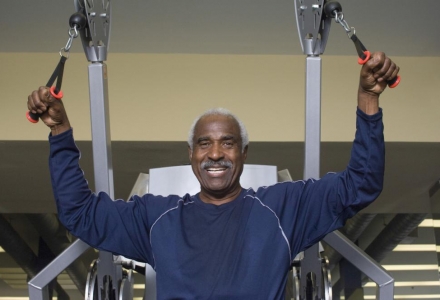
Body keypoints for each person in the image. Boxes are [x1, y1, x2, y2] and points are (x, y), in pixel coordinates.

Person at [27, 52, 399, 299]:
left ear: (244, 153)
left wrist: (368, 99)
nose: (216, 153)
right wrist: (60, 132)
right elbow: (79, 213)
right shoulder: (157, 220)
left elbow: (360, 184)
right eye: (204, 144)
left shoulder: (283, 208)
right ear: (191, 155)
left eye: (228, 143)